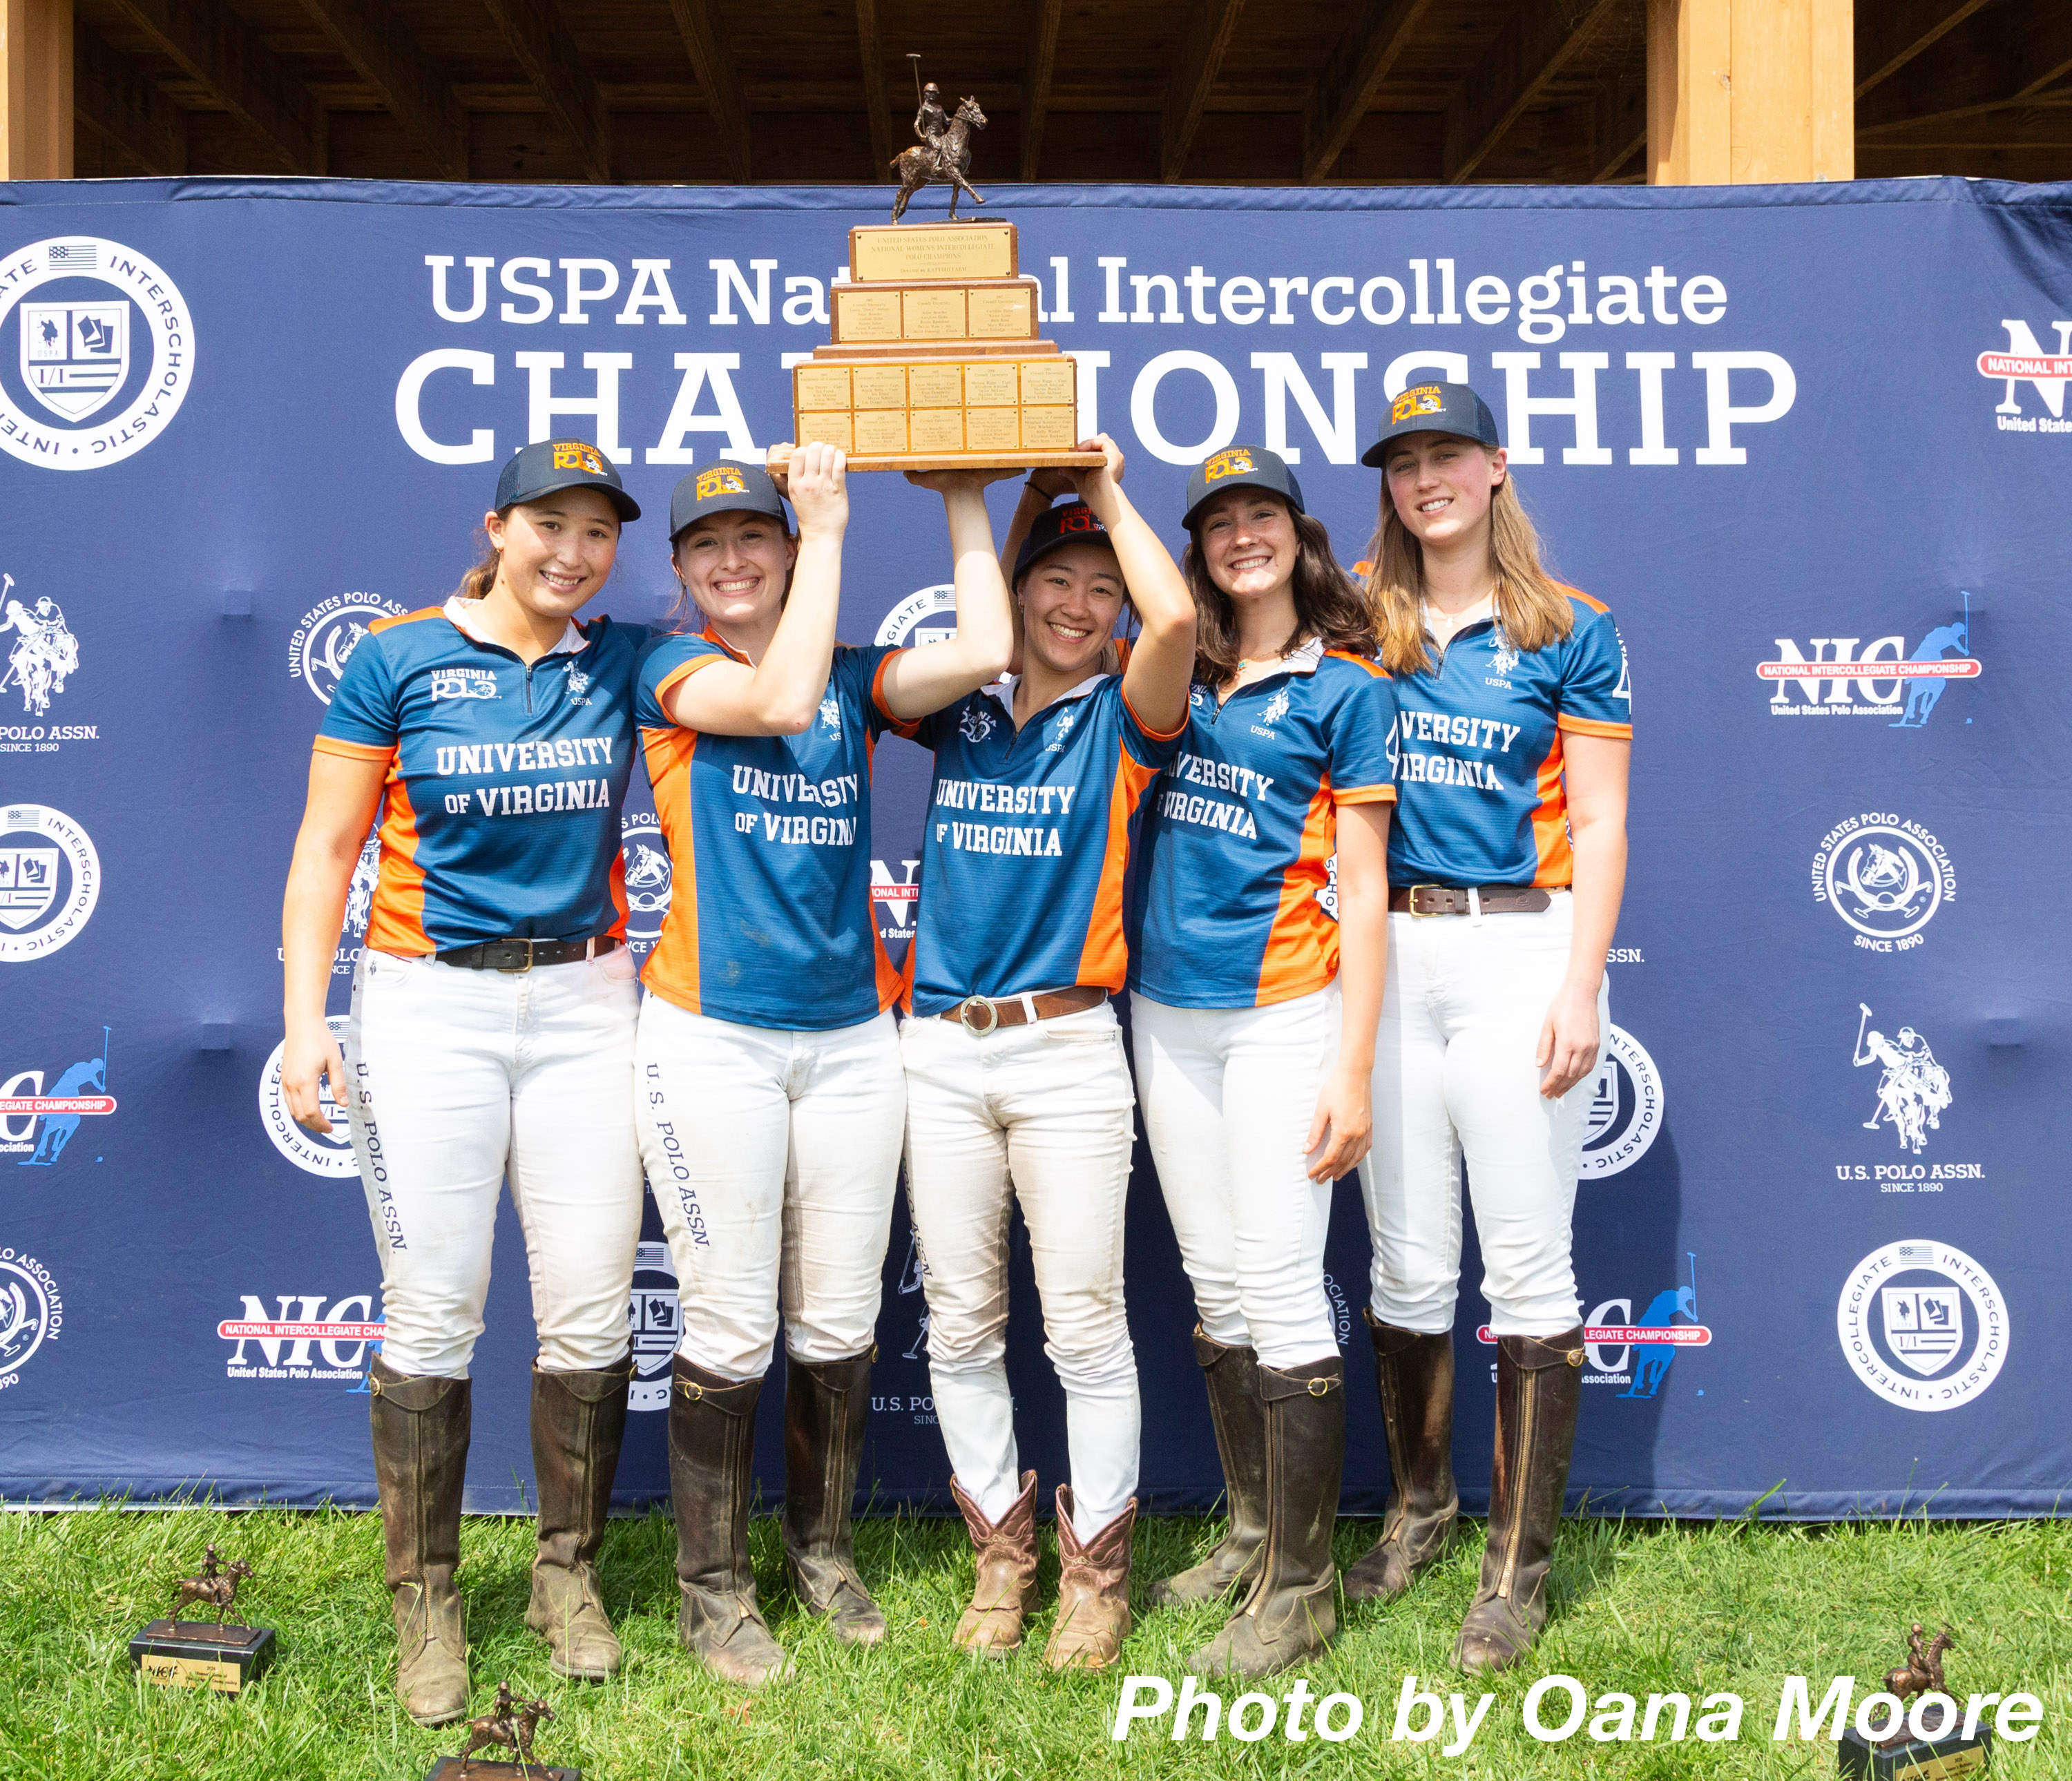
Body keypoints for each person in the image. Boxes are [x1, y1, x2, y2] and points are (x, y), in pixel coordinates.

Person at [280, 439, 649, 1724]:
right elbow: (327, 848)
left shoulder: (627, 657)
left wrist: (815, 525)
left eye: (597, 533)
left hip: (590, 1000)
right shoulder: (397, 655)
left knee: (592, 1314)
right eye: (550, 525)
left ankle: (566, 1577)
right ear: (497, 528)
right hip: (428, 1000)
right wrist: (302, 1020)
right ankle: (427, 1599)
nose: (573, 552)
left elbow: (772, 697)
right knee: (433, 1309)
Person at [635, 447, 1014, 1688]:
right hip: (714, 1035)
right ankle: (712, 1588)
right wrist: (835, 527)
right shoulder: (672, 665)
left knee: (842, 1319)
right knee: (733, 1320)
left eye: (761, 539)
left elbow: (988, 647)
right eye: (710, 546)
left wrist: (964, 496)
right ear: (683, 570)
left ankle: (822, 1549)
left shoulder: (855, 678)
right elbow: (784, 700)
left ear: (786, 556)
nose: (736, 560)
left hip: (852, 1038)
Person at [890, 439, 1194, 1672]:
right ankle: (1001, 1559)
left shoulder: (1128, 709)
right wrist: (995, 498)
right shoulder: (960, 704)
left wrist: (1102, 488)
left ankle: (1097, 1575)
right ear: (1015, 594)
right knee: (960, 1326)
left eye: (1098, 593)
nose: (1079, 609)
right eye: (1054, 587)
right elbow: (970, 630)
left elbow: (1174, 610)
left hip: (1067, 1047)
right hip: (940, 1050)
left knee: (1084, 1327)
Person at [1352, 381, 1631, 1673]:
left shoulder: (1572, 626)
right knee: (1406, 1266)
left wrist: (1580, 984)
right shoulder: (1359, 615)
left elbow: (1603, 819)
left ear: (1497, 467)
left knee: (1527, 1272)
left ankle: (1517, 1570)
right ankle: (1421, 1508)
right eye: (1404, 463)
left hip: (1524, 946)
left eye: (1447, 454)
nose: (1427, 480)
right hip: (1390, 954)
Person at [1128, 443, 1395, 1679]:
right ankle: (1249, 1534)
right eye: (1219, 520)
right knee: (1218, 1288)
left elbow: (1368, 884)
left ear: (1299, 531)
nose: (1242, 535)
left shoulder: (1348, 688)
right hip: (1166, 1012)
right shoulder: (1180, 669)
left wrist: (1354, 1068)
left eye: (1262, 515)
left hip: (1290, 1006)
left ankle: (1303, 1589)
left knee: (1284, 1288)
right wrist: (1086, 487)